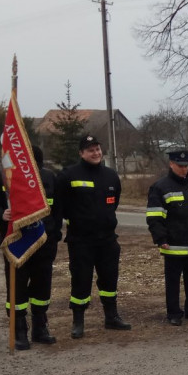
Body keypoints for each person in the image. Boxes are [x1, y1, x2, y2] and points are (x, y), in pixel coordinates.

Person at [0, 145, 61, 350]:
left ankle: (40, 328)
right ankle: (18, 330)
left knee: (41, 287)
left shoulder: (49, 177)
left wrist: (55, 236)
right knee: (16, 289)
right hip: (15, 242)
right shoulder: (4, 178)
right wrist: (2, 214)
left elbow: (58, 209)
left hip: (44, 242)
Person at [56, 134, 131, 337]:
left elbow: (113, 202)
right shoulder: (69, 175)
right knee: (81, 280)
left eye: (98, 149)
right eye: (91, 150)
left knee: (109, 280)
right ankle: (78, 321)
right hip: (81, 240)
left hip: (107, 239)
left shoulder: (111, 175)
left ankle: (112, 317)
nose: (96, 153)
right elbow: (60, 206)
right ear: (81, 153)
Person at [145, 150, 188, 324]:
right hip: (173, 244)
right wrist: (161, 239)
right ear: (171, 164)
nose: (184, 169)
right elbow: (155, 217)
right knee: (173, 283)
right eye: (180, 166)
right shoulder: (160, 187)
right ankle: (174, 313)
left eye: (186, 166)